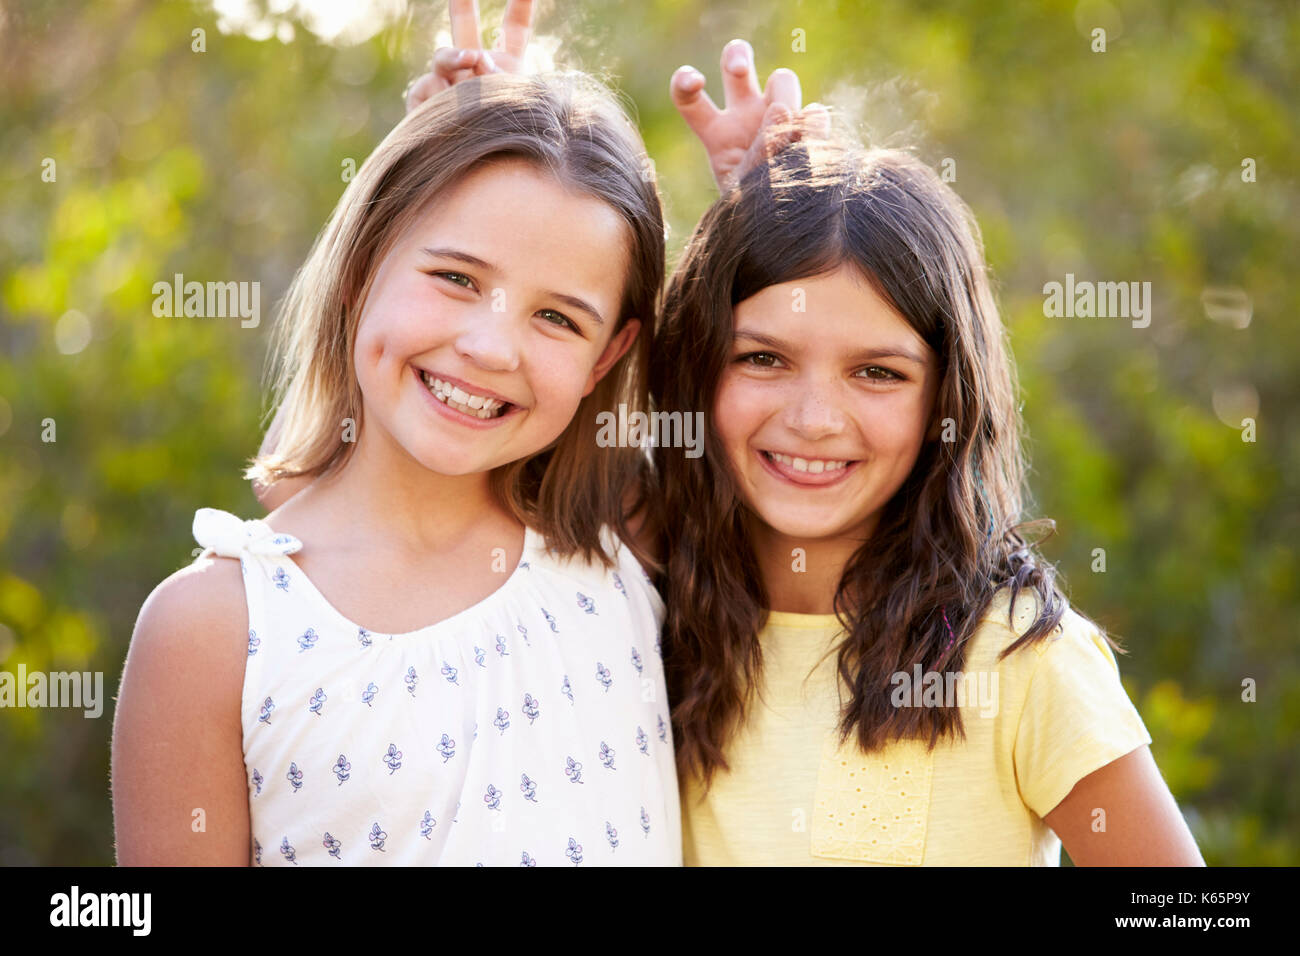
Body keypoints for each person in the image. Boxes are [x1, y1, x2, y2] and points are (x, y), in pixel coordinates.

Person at [112, 62, 679, 865]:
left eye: (556, 317)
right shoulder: (215, 630)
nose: (488, 346)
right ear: (360, 263)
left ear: (606, 358)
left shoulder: (622, 546)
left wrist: (766, 201)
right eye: (455, 277)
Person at [649, 137, 1207, 866]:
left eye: (877, 372)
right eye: (762, 358)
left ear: (946, 397)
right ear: (697, 366)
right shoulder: (649, 621)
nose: (815, 417)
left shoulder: (1019, 658)